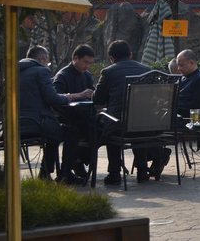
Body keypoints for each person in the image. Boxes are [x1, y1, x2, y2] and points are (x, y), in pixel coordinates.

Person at [19, 45, 91, 183]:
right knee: (71, 131)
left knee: (56, 131)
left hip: (13, 125)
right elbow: (53, 98)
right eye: (47, 62)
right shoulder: (41, 71)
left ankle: (46, 172)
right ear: (42, 59)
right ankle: (64, 174)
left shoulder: (14, 71)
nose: (48, 65)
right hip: (35, 123)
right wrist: (75, 96)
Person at [92, 40, 158, 185]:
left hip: (119, 126)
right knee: (136, 122)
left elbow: (98, 99)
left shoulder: (108, 72)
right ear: (130, 54)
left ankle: (114, 173)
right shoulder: (147, 70)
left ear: (111, 58)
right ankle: (142, 170)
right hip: (146, 126)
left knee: (109, 126)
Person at [52, 44, 97, 183]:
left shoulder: (87, 76)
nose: (87, 66)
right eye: (85, 62)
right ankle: (68, 169)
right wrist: (79, 95)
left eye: (90, 63)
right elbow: (56, 98)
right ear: (75, 58)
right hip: (66, 117)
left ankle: (80, 161)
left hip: (84, 115)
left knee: (98, 128)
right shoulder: (62, 75)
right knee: (76, 131)